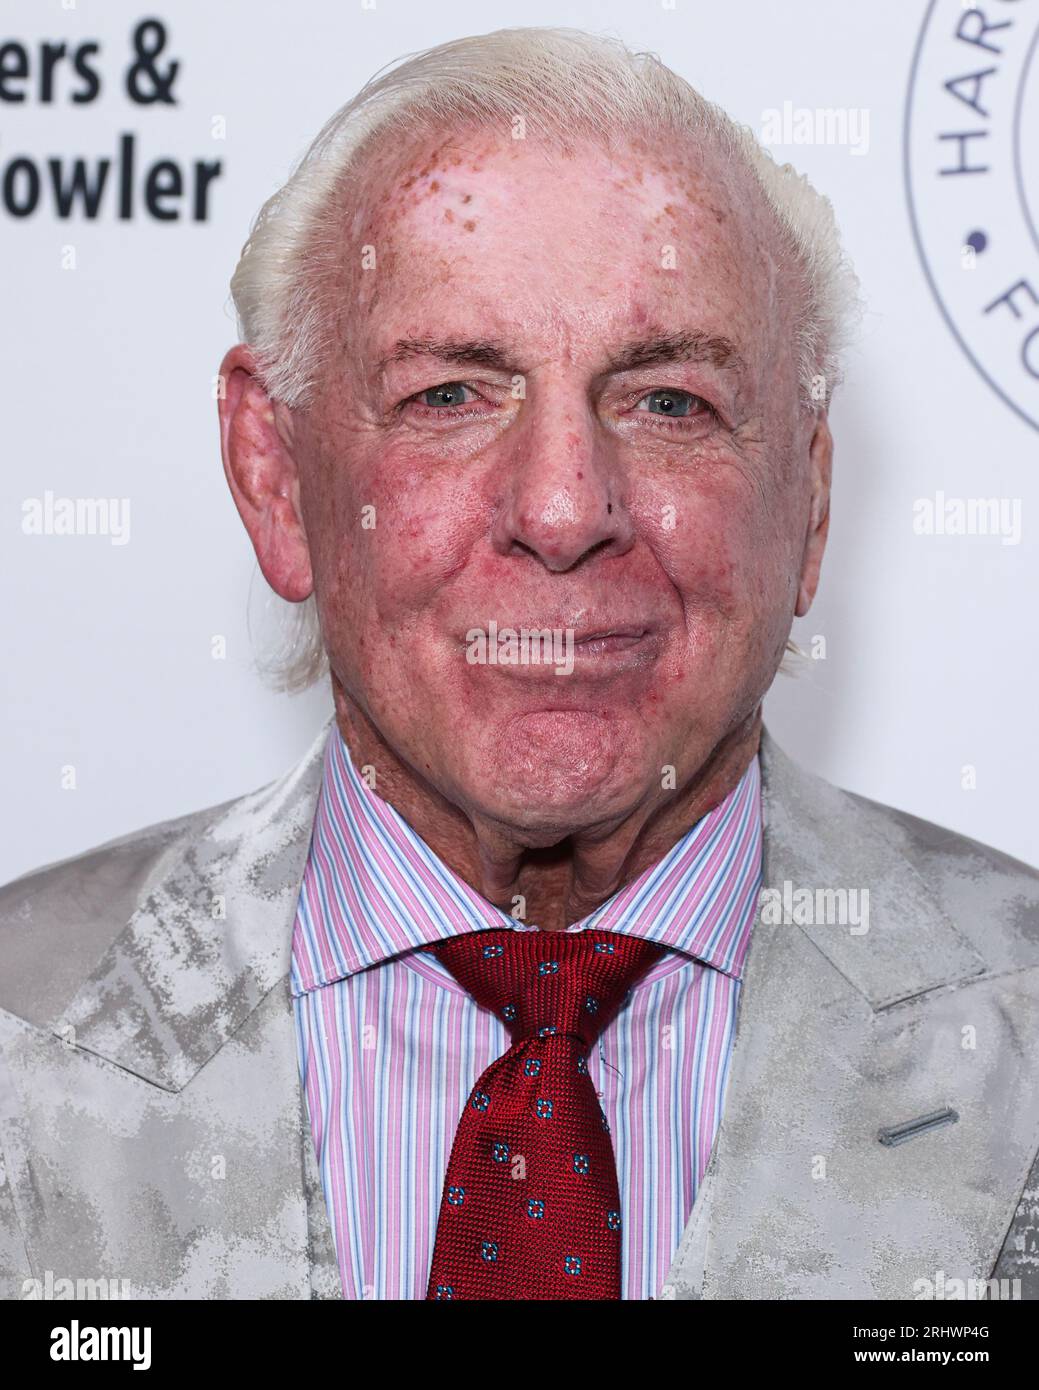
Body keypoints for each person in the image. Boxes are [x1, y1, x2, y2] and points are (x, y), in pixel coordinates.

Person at [2, 27, 1036, 1302]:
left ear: (806, 505)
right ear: (274, 477)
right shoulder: (19, 1028)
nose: (561, 506)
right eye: (450, 394)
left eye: (669, 401)